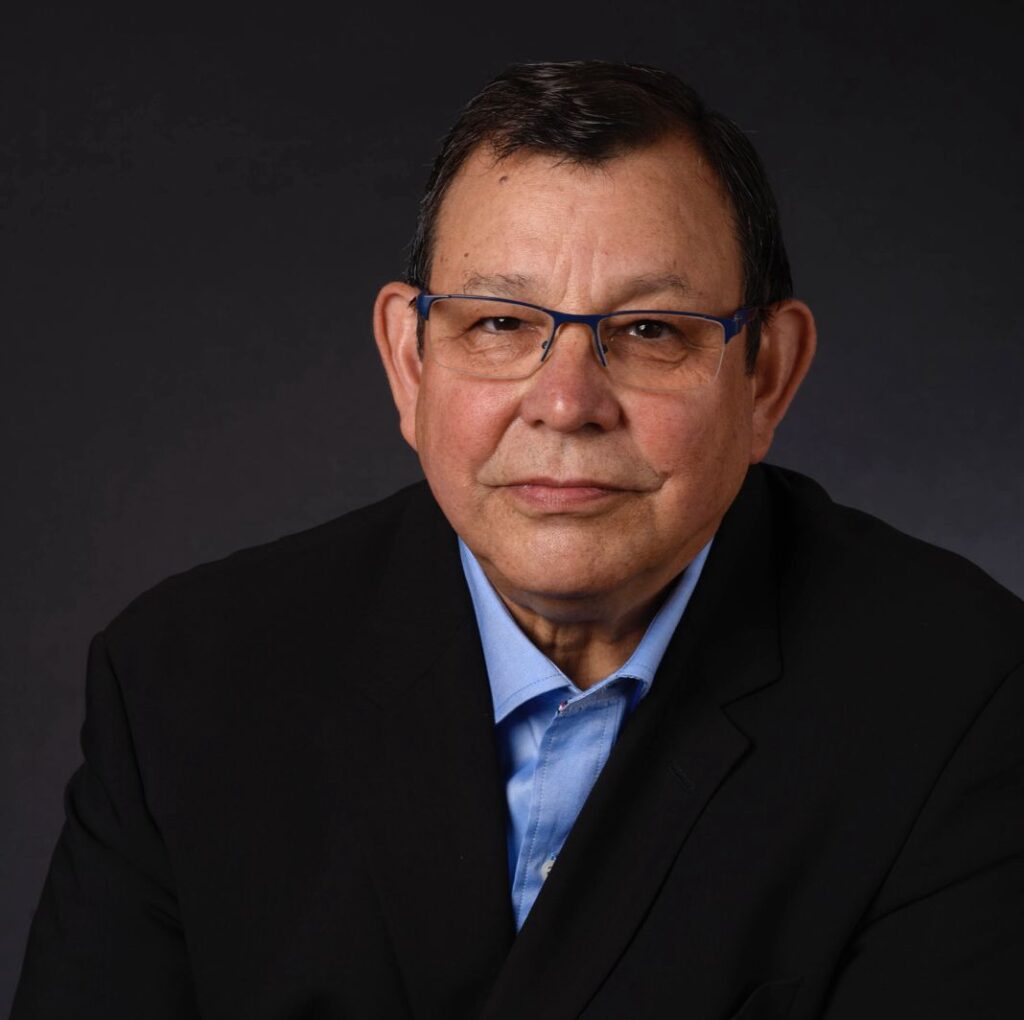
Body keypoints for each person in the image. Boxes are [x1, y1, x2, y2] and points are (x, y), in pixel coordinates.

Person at [12, 60, 1023, 1020]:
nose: (566, 403)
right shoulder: (184, 683)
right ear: (410, 363)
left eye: (650, 331)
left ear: (766, 377)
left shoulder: (962, 701)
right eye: (498, 324)